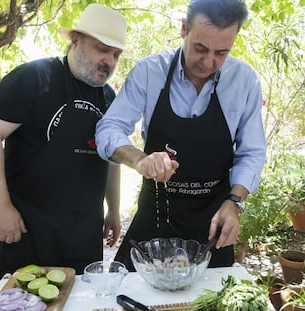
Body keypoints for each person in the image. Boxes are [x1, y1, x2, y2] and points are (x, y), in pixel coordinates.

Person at [96, 0, 266, 270]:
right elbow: (109, 128)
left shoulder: (244, 81)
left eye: (221, 52)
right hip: (155, 219)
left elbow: (252, 152)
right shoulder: (150, 72)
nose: (209, 62)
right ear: (184, 29)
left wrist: (235, 202)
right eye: (200, 48)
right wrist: (140, 160)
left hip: (213, 226)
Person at [0, 3, 127, 279]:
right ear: (75, 41)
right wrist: (1, 207)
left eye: (116, 54)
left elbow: (112, 157)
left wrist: (113, 208)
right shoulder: (33, 78)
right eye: (102, 49)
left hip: (83, 236)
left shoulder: (108, 98)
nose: (109, 61)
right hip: (28, 233)